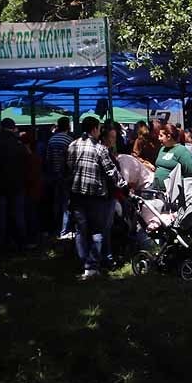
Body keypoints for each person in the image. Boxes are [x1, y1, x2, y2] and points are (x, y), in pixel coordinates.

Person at [66, 117, 126, 280]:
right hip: (96, 196)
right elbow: (110, 171)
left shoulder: (73, 145)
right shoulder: (100, 149)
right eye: (99, 128)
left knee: (80, 230)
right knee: (97, 231)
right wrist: (123, 184)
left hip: (77, 194)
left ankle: (83, 262)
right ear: (94, 129)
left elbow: (70, 167)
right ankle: (92, 266)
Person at [0, 118, 30, 251]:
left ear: (0, 128)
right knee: (18, 216)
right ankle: (21, 244)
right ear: (13, 128)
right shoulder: (19, 145)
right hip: (17, 186)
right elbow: (27, 164)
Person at [46, 117, 74, 241]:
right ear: (67, 126)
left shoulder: (51, 140)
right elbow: (71, 160)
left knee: (56, 202)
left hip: (54, 175)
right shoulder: (69, 140)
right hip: (66, 176)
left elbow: (48, 159)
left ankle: (54, 228)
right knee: (66, 205)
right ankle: (64, 230)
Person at [153, 123, 192, 190]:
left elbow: (190, 172)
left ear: (168, 136)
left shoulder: (181, 150)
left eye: (161, 136)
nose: (158, 138)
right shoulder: (162, 149)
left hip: (173, 192)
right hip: (158, 189)